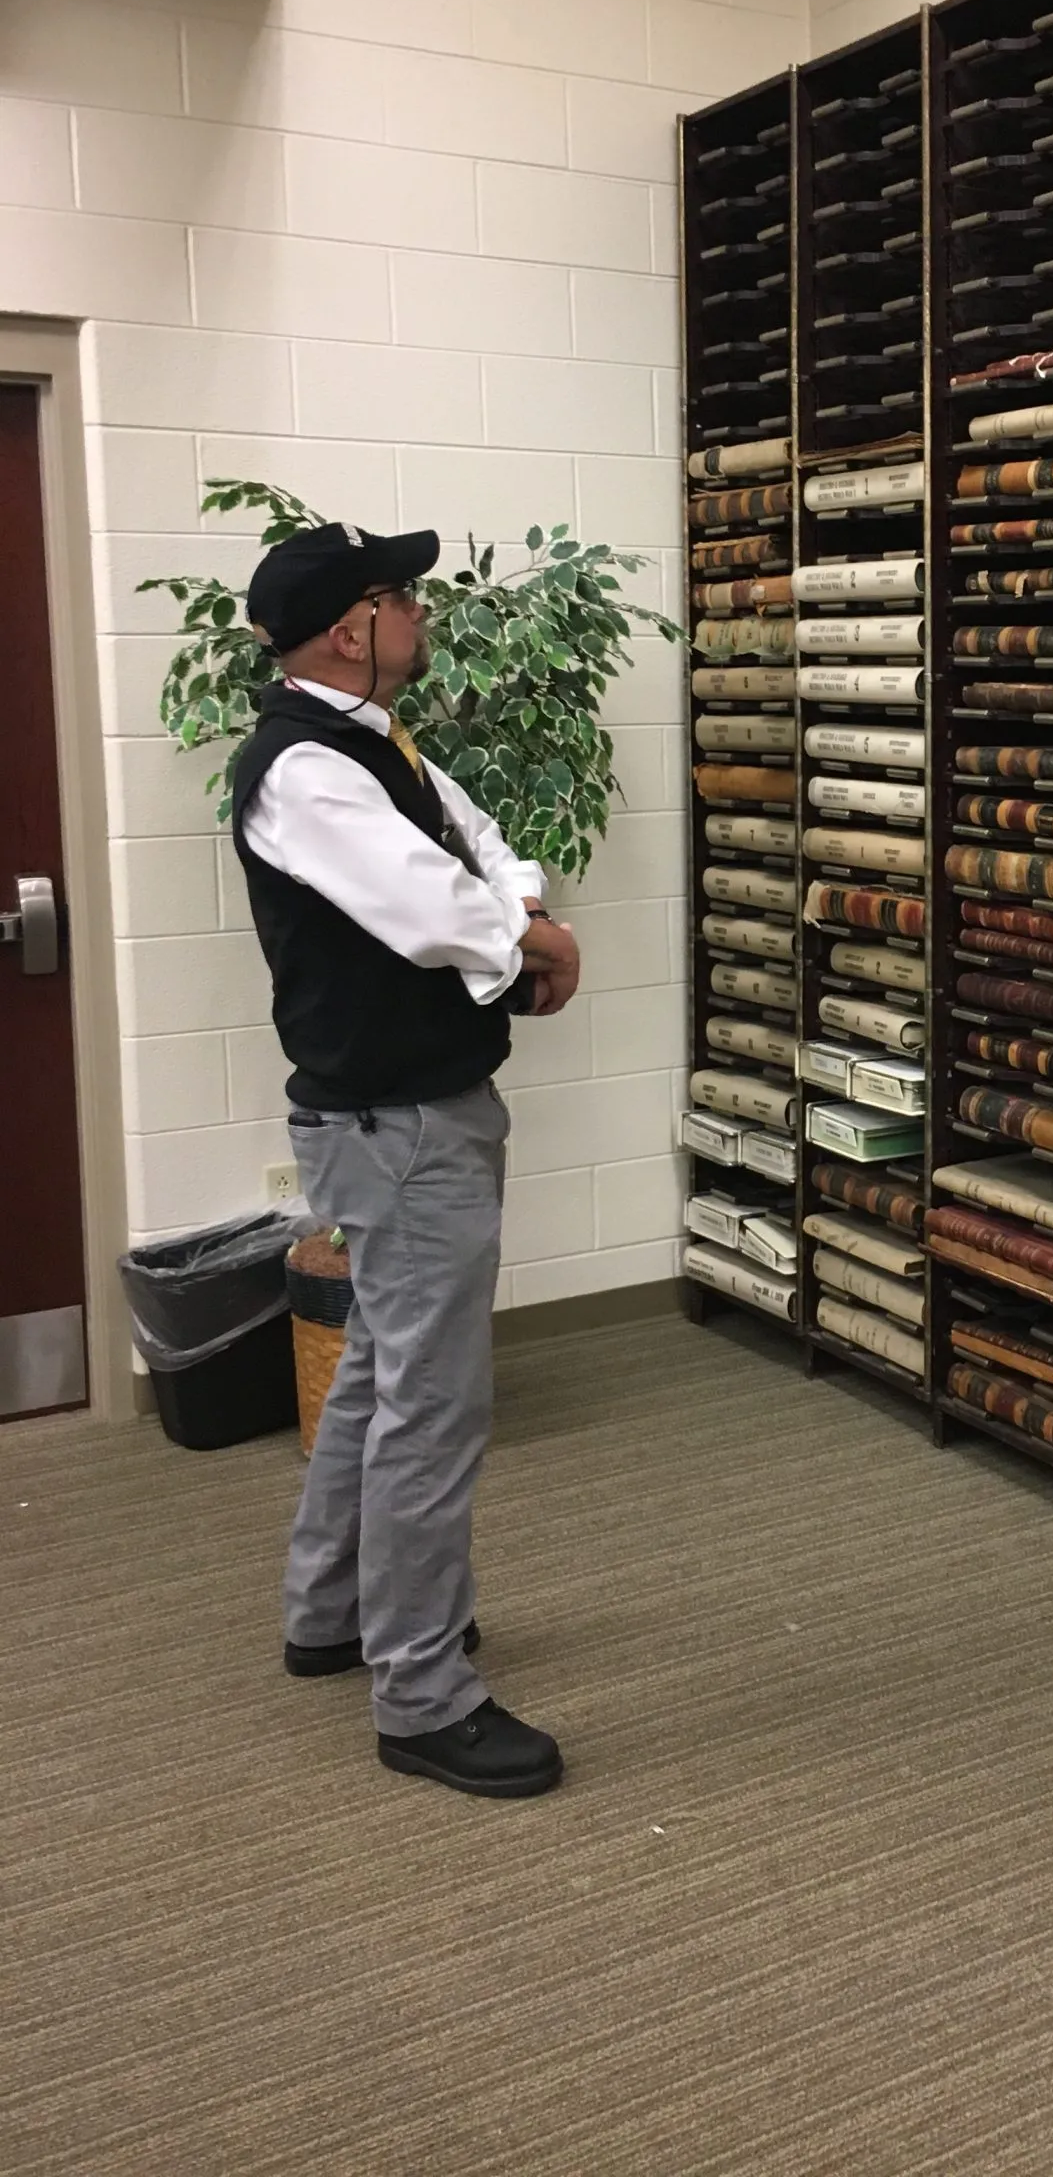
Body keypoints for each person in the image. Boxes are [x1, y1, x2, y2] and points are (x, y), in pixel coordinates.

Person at [233, 521, 580, 1799]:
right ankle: (424, 1696)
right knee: (434, 1406)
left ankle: (330, 1611)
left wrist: (526, 913)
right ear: (349, 628)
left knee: (381, 1369)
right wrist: (530, 948)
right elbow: (433, 907)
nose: (421, 613)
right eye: (403, 597)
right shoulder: (303, 772)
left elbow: (478, 843)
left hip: (405, 1119)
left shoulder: (378, 747)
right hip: (401, 1129)